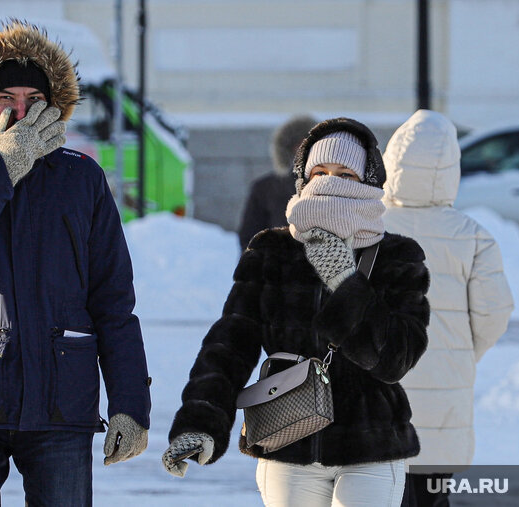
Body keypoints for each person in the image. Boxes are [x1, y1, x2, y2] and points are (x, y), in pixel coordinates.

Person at [0, 20, 151, 506]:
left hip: (62, 401)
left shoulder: (82, 179)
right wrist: (0, 168)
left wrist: (129, 404)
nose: (20, 112)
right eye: (5, 100)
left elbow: (113, 301)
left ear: (53, 105)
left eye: (33, 100)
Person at [162, 118, 431, 507]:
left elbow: (397, 358)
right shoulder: (273, 250)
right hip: (286, 438)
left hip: (372, 444)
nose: (328, 182)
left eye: (344, 174)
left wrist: (346, 281)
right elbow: (229, 344)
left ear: (369, 181)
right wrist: (200, 423)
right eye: (318, 172)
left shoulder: (397, 256)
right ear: (303, 179)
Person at [381, 109, 514, 507]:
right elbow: (496, 313)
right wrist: (461, 354)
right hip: (445, 407)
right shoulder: (474, 237)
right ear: (450, 169)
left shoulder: (370, 230)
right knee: (433, 493)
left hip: (379, 402)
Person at [237, 115, 317, 250]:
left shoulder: (337, 185)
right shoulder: (265, 188)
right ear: (289, 149)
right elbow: (250, 238)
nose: (305, 152)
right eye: (299, 145)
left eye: (311, 145)